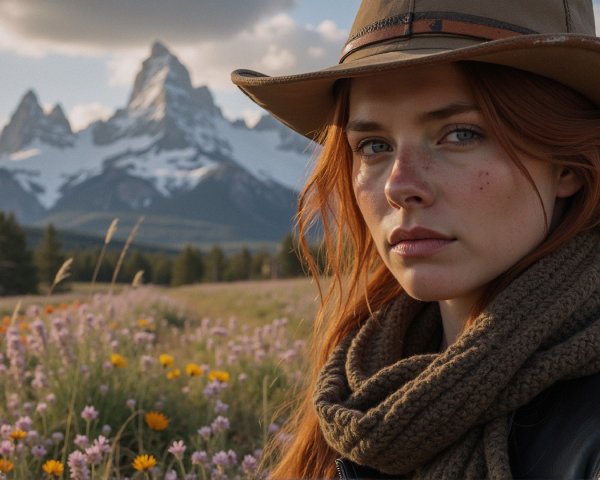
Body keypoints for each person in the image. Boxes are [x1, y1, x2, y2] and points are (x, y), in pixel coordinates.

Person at [232, 0, 600, 478]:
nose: (399, 185)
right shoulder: (359, 396)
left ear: (568, 165)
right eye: (374, 146)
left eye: (460, 134)